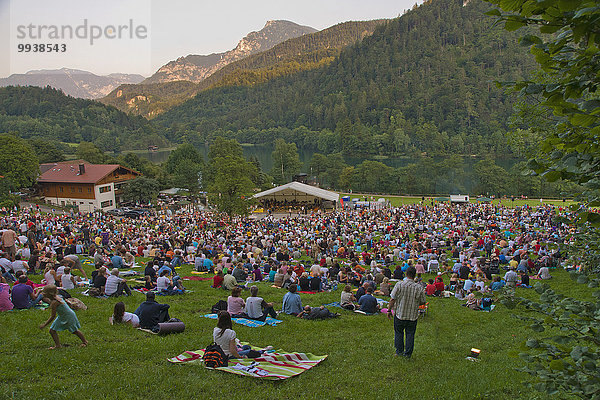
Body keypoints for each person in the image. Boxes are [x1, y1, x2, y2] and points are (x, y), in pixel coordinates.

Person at [388, 266, 426, 359]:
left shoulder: (399, 285)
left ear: (406, 274)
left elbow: (393, 298)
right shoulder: (419, 287)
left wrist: (389, 309)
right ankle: (408, 354)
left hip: (400, 313)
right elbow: (423, 301)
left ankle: (399, 351)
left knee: (399, 333)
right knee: (410, 334)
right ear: (414, 275)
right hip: (412, 315)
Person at [38, 285, 87, 349]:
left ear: (48, 294)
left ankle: (85, 342)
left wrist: (45, 324)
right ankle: (58, 345)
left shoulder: (54, 303)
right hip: (63, 316)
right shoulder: (56, 297)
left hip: (68, 316)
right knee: (52, 330)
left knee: (74, 330)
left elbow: (53, 316)